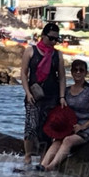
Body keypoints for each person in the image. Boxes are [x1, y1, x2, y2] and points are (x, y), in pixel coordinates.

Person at [40, 58, 89, 172]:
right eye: (75, 70)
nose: (78, 72)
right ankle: (42, 166)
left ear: (86, 73)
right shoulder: (67, 91)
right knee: (57, 141)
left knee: (68, 140)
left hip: (87, 127)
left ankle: (51, 167)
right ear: (72, 72)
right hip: (70, 126)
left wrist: (83, 127)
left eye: (81, 70)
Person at [21, 22, 66, 165]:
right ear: (43, 36)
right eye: (51, 38)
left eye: (56, 39)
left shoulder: (57, 54)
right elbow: (23, 73)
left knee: (47, 129)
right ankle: (27, 157)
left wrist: (62, 96)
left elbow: (62, 77)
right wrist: (27, 92)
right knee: (31, 126)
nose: (53, 42)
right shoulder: (30, 51)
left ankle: (43, 159)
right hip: (33, 95)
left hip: (51, 96)